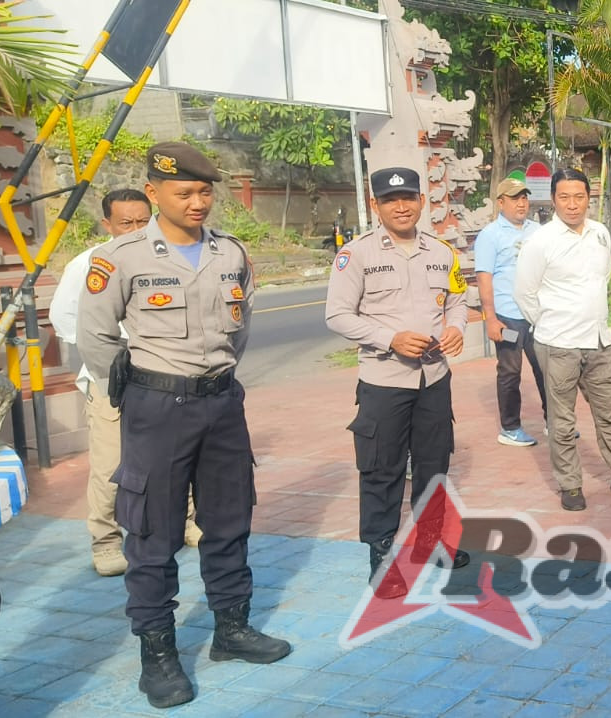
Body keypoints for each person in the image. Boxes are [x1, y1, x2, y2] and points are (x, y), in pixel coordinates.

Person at [77, 142, 291, 709]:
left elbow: (239, 328)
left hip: (221, 404)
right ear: (154, 193)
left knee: (229, 520)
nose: (197, 202)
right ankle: (159, 655)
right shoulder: (120, 258)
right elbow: (96, 337)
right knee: (153, 534)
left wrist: (212, 379)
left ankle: (232, 629)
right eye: (183, 192)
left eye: (204, 192)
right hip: (156, 408)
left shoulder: (230, 252)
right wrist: (136, 393)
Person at [325, 166, 472, 602]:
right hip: (384, 381)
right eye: (391, 200)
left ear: (422, 201)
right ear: (376, 205)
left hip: (434, 378)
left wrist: (457, 326)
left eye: (408, 197)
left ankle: (432, 541)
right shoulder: (356, 255)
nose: (401, 206)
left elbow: (457, 299)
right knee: (382, 470)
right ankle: (382, 555)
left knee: (434, 463)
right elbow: (337, 315)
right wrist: (389, 338)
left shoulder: (442, 252)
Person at [52, 189, 203, 576]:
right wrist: (114, 357)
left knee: (178, 454)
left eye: (142, 221)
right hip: (112, 381)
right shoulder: (91, 264)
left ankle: (188, 522)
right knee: (110, 466)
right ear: (107, 224)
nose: (136, 229)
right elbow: (65, 319)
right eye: (125, 223)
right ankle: (105, 542)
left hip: (167, 379)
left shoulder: (169, 255)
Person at [512, 168, 611, 511]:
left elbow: (601, 278)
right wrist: (551, 324)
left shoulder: (599, 233)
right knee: (562, 421)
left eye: (579, 197)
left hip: (599, 341)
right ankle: (570, 485)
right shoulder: (540, 242)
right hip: (558, 344)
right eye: (564, 197)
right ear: (553, 199)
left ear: (589, 198)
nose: (572, 204)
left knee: (610, 413)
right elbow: (524, 294)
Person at [473, 177, 548, 446]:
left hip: (536, 316)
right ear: (501, 202)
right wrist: (491, 319)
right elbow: (484, 278)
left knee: (546, 369)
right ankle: (510, 428)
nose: (521, 203)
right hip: (507, 318)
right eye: (515, 198)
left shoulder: (538, 231)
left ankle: (554, 422)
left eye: (524, 198)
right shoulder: (490, 235)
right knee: (510, 372)